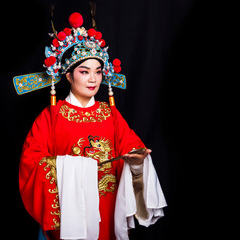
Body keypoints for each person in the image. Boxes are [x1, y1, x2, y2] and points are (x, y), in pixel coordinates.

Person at [13, 12, 166, 240]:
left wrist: (137, 161)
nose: (93, 79)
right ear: (68, 76)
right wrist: (71, 168)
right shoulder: (51, 116)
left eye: (97, 71)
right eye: (84, 72)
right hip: (69, 212)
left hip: (108, 205)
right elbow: (31, 161)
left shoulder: (109, 113)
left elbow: (131, 144)